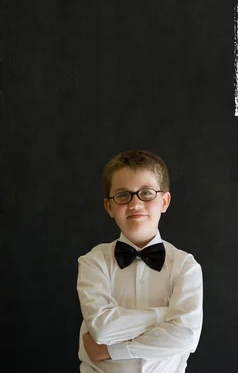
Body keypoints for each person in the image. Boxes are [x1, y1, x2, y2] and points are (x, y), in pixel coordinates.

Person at [76, 150, 203, 373]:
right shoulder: (93, 262)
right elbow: (102, 329)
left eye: (146, 193)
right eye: (123, 195)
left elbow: (185, 337)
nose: (135, 204)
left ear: (164, 201)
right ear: (109, 207)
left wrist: (112, 350)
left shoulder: (186, 267)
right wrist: (164, 315)